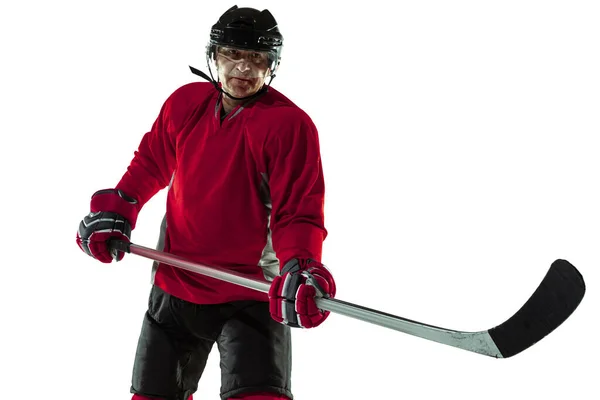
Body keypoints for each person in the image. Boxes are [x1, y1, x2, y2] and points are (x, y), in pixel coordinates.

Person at [75, 5, 336, 400]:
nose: (243, 69)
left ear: (273, 66)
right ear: (213, 57)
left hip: (251, 293)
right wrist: (119, 208)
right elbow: (151, 162)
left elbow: (297, 211)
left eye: (256, 59)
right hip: (175, 287)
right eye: (232, 54)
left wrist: (301, 266)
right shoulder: (185, 104)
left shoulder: (288, 126)